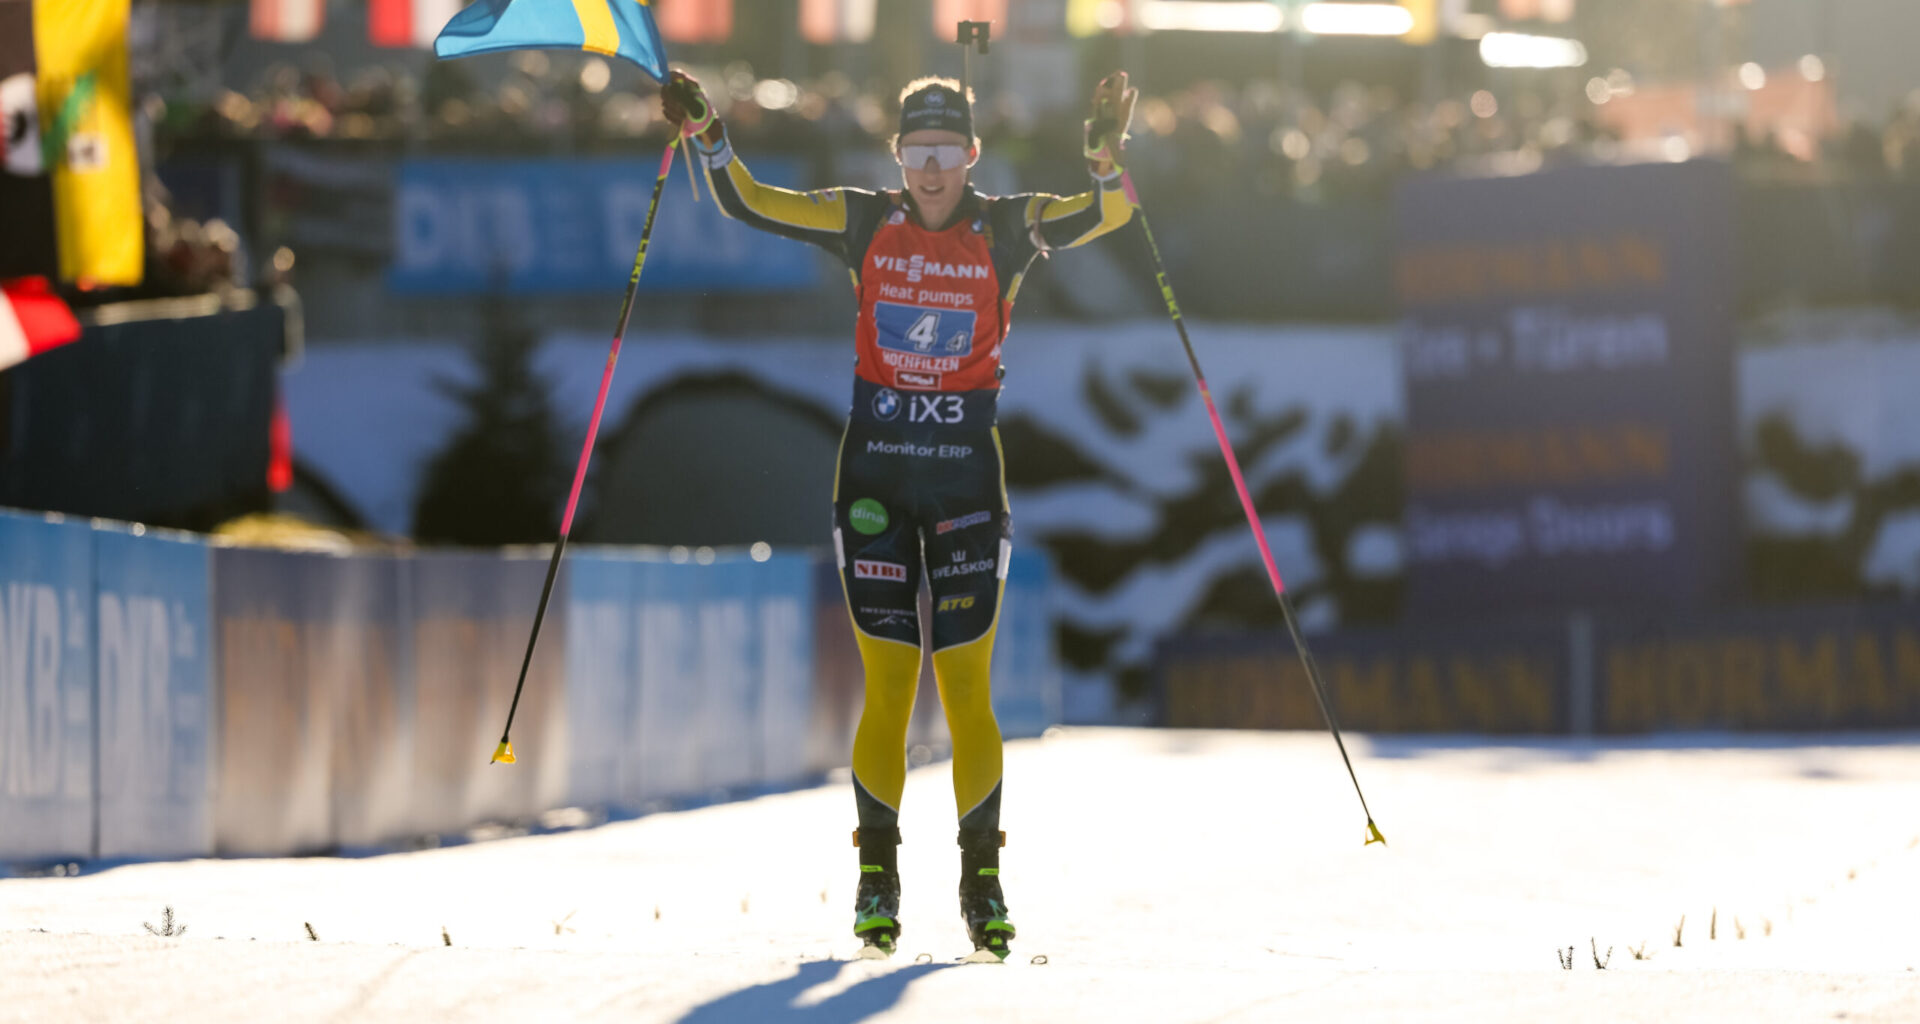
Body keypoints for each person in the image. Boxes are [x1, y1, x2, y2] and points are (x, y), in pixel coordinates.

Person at [662, 68, 1136, 960]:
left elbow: (1106, 216)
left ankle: (981, 887)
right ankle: (876, 880)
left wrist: (1107, 164)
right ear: (897, 157)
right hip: (876, 481)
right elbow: (749, 202)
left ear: (972, 154)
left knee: (965, 689)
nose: (933, 170)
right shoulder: (862, 220)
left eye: (947, 151)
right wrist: (709, 133)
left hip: (965, 486)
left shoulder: (1006, 226)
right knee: (888, 685)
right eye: (918, 152)